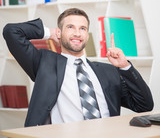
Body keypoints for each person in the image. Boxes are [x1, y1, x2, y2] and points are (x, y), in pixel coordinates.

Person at [3, 8, 154, 127]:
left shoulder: (108, 71)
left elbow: (144, 105)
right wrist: (49, 33)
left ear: (87, 35)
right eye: (70, 27)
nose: (77, 33)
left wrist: (125, 66)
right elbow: (11, 32)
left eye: (83, 28)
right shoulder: (44, 63)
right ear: (60, 32)